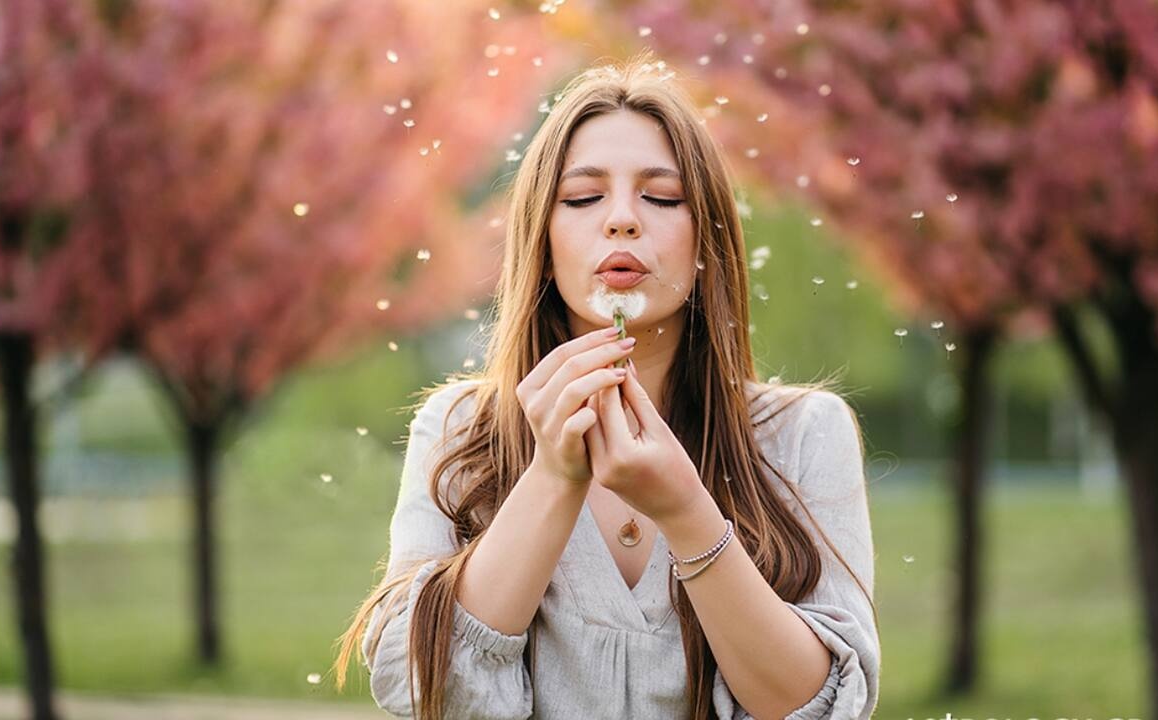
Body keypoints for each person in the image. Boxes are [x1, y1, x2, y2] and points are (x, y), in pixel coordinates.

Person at [332, 50, 880, 720]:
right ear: (543, 237)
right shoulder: (458, 428)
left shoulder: (801, 436)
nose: (622, 218)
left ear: (706, 240)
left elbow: (820, 707)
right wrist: (553, 476)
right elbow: (420, 688)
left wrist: (685, 511)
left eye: (662, 197)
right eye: (585, 197)